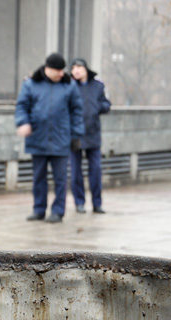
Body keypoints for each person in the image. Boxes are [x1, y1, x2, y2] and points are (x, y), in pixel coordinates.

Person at [15, 53, 84, 223]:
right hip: (38, 137)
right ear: (48, 69)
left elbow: (77, 111)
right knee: (39, 177)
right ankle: (39, 210)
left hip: (61, 139)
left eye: (63, 70)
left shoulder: (69, 86)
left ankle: (58, 211)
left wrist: (76, 135)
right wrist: (23, 122)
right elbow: (22, 106)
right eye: (58, 70)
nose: (62, 73)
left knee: (60, 178)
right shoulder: (31, 84)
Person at [68, 57, 111, 214]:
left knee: (96, 170)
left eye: (79, 67)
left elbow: (107, 104)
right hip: (75, 135)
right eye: (73, 68)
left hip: (93, 134)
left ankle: (97, 203)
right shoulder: (69, 86)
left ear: (86, 69)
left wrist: (96, 108)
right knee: (75, 172)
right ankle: (79, 203)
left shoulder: (98, 86)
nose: (76, 70)